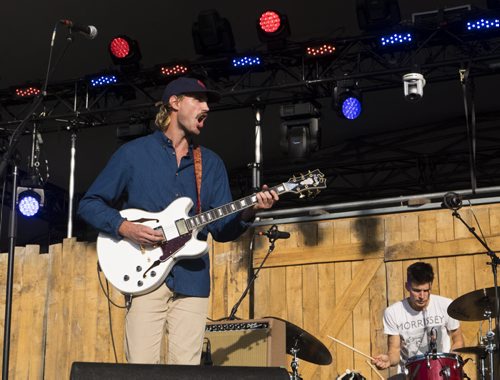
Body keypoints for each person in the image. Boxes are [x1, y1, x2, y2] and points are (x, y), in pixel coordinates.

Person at [77, 76, 278, 365]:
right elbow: (89, 204)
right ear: (174, 103)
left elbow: (221, 230)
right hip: (144, 277)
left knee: (186, 372)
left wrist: (250, 211)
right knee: (141, 371)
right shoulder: (133, 154)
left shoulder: (210, 163)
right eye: (198, 99)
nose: (206, 107)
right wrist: (125, 227)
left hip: (192, 280)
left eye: (207, 102)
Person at [372, 261, 464, 374]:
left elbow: (458, 340)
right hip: (412, 373)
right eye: (416, 290)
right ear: (407, 286)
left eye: (426, 290)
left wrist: (449, 362)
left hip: (442, 372)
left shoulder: (446, 305)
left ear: (431, 285)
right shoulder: (393, 312)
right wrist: (389, 360)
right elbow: (395, 351)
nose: (422, 296)